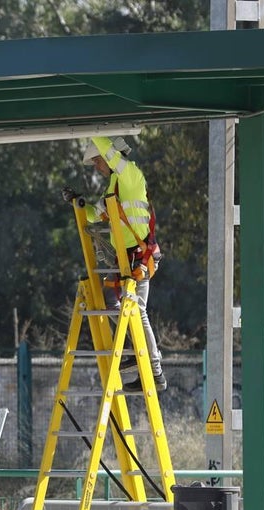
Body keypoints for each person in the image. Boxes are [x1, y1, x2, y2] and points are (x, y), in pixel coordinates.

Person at [65, 136, 166, 392]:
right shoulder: (113, 187)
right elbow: (96, 214)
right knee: (112, 300)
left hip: (139, 257)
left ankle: (154, 371)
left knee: (137, 309)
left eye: (98, 160)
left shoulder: (130, 175)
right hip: (125, 258)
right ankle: (138, 352)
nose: (97, 166)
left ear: (110, 156)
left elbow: (110, 155)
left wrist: (93, 129)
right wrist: (78, 204)